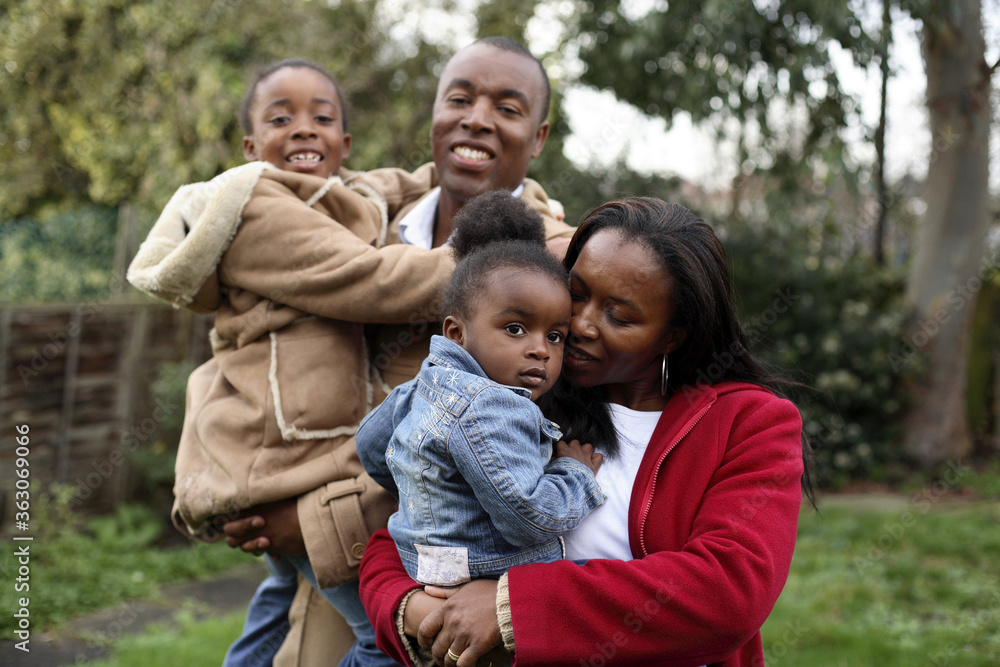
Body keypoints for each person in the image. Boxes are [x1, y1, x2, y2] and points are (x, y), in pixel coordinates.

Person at [218, 37, 576, 666]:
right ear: (434, 113)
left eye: (507, 107)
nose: (477, 119)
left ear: (539, 136)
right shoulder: (362, 222)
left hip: (443, 581)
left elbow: (508, 456)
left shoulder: (559, 266)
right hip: (330, 576)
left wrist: (311, 521)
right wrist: (237, 476)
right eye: (460, 98)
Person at [358, 197, 816, 667]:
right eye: (576, 293)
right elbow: (402, 535)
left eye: (619, 316)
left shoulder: (749, 423)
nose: (579, 325)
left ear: (673, 335)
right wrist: (414, 612)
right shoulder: (517, 394)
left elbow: (728, 592)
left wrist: (510, 607)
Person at [127, 58, 457, 666]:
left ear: (345, 145)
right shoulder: (254, 207)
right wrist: (493, 263)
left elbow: (406, 183)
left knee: (273, 615)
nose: (303, 129)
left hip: (298, 465)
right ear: (251, 147)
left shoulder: (342, 196)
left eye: (321, 117)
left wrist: (520, 195)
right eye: (281, 119)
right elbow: (373, 281)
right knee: (388, 640)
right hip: (279, 464)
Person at [357, 191, 605, 591]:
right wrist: (575, 473)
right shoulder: (492, 405)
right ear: (457, 333)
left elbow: (370, 444)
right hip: (487, 569)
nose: (540, 349)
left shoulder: (427, 383)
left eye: (556, 335)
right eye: (515, 329)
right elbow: (529, 518)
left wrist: (426, 490)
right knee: (601, 586)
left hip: (419, 561)